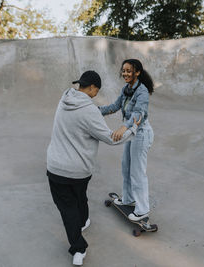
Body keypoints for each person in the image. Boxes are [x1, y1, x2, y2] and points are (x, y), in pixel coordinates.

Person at [46, 70, 140, 266]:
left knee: (70, 203)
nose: (96, 93)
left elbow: (92, 115)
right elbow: (111, 138)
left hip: (54, 167)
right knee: (74, 203)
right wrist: (133, 128)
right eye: (97, 90)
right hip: (78, 170)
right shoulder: (88, 111)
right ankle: (78, 249)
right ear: (91, 87)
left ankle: (82, 222)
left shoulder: (64, 98)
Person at [99, 59, 154, 222]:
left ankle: (143, 209)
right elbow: (114, 106)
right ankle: (129, 198)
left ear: (137, 72)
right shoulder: (126, 89)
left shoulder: (142, 91)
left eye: (129, 71)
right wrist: (94, 110)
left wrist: (124, 127)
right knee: (126, 166)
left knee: (137, 172)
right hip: (131, 133)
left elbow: (139, 113)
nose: (125, 73)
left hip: (141, 133)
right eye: (124, 70)